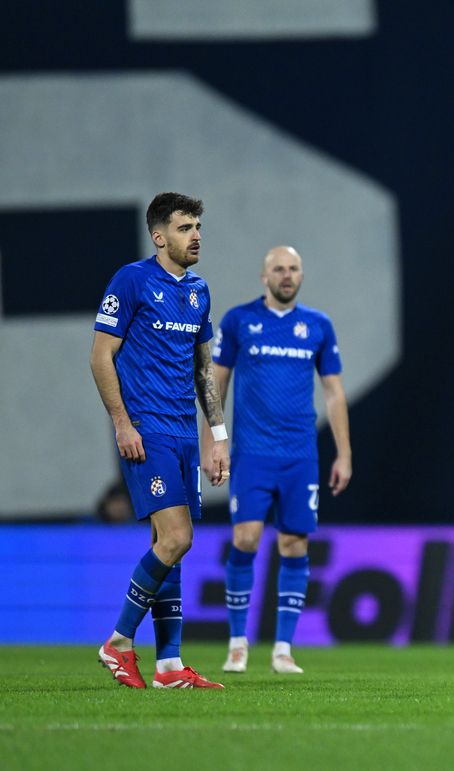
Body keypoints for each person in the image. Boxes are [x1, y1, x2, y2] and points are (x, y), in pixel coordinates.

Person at [91, 192, 228, 689]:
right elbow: (101, 356)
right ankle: (118, 643)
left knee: (169, 547)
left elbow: (202, 370)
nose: (195, 236)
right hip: (146, 432)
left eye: (198, 227)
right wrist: (121, 423)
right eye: (185, 227)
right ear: (159, 236)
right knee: (177, 538)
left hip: (185, 434)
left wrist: (218, 436)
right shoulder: (131, 280)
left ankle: (169, 665)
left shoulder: (199, 290)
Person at [204, 246, 351, 675]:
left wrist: (343, 453)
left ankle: (283, 649)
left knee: (294, 544)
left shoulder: (318, 325)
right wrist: (216, 442)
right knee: (246, 538)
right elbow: (217, 382)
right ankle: (236, 643)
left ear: (301, 275)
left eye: (293, 269)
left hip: (300, 455)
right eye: (279, 270)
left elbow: (334, 392)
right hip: (251, 452)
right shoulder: (238, 321)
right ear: (263, 277)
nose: (287, 275)